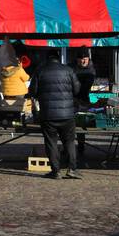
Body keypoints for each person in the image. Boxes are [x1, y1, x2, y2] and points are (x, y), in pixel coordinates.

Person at [35, 52, 83, 180]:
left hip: (48, 115)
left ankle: (55, 171)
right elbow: (77, 89)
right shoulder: (68, 70)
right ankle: (72, 169)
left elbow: (33, 91)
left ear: (47, 60)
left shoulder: (40, 71)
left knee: (51, 143)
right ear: (58, 59)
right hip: (67, 114)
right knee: (70, 142)